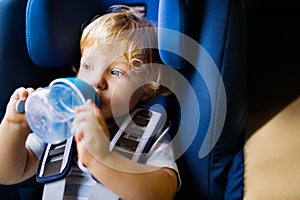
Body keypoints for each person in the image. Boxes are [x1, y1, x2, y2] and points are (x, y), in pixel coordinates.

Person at [0, 5, 179, 200]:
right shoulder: (60, 122)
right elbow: (7, 174)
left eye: (116, 72)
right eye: (88, 66)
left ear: (146, 89)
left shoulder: (148, 130)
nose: (97, 82)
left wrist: (103, 159)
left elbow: (163, 192)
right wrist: (14, 126)